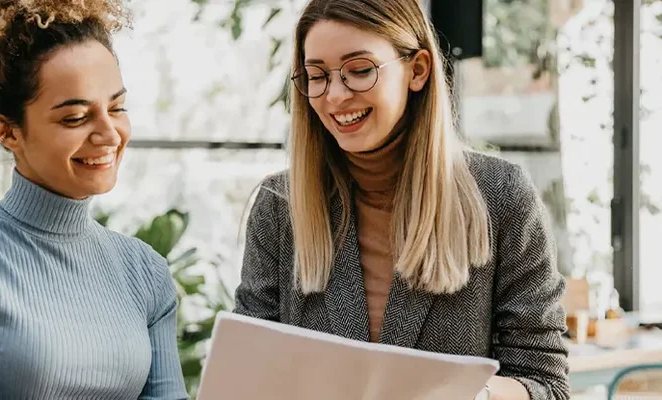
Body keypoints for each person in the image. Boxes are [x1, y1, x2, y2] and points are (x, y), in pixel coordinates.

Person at [232, 0, 569, 399]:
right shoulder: (280, 206)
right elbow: (248, 372)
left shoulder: (500, 196)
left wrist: (468, 394)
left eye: (359, 71)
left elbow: (546, 383)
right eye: (317, 76)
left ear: (418, 69)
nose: (335, 96)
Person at [0, 1, 187, 399]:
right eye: (75, 118)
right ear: (7, 132)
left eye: (116, 108)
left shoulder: (145, 272)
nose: (109, 134)